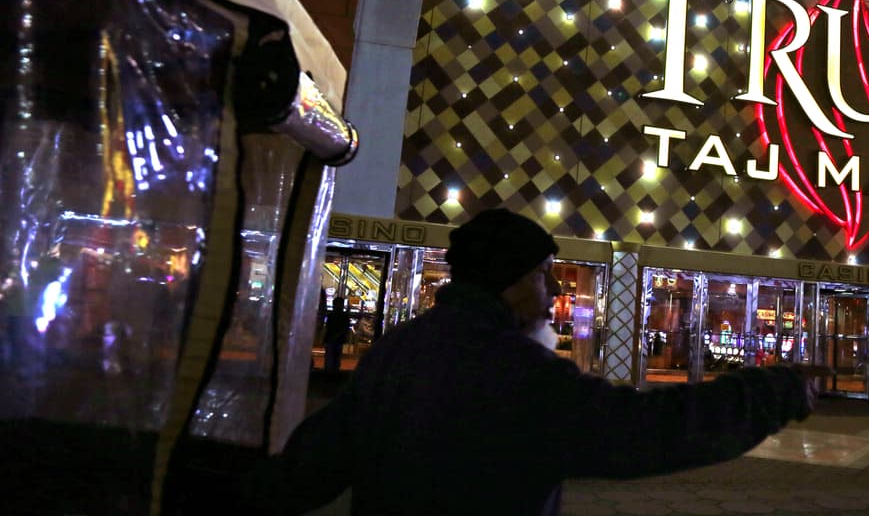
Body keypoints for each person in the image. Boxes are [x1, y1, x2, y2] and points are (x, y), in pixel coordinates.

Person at [238, 208, 821, 515]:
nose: (551, 290)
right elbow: (643, 432)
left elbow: (314, 463)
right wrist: (770, 393)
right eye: (545, 274)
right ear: (515, 282)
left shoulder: (399, 348)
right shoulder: (516, 373)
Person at [321, 298, 348, 375]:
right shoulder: (344, 316)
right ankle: (334, 373)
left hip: (331, 339)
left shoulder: (331, 315)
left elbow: (328, 328)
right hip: (338, 339)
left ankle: (329, 374)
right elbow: (344, 328)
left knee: (330, 358)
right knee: (336, 358)